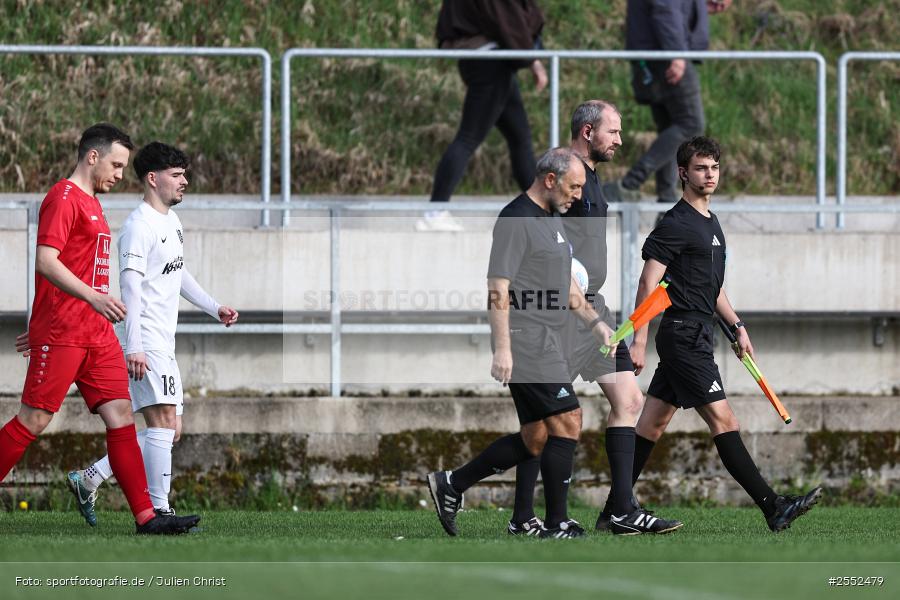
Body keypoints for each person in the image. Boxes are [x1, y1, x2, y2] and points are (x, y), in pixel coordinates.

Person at [0, 124, 198, 534]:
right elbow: (47, 261)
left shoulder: (92, 202)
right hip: (67, 332)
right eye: (116, 164)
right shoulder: (63, 197)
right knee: (35, 420)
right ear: (93, 156)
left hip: (98, 334)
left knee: (122, 415)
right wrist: (84, 303)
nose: (120, 174)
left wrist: (87, 306)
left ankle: (147, 518)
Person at [628, 136, 821, 532]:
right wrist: (640, 340)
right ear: (683, 173)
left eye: (714, 167)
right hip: (682, 335)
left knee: (651, 424)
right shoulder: (675, 223)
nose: (709, 174)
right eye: (701, 168)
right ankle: (773, 506)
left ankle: (616, 506)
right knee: (724, 420)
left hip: (701, 331)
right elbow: (649, 283)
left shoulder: (711, 223)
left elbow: (712, 287)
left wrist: (737, 326)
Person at [507, 100, 682, 536]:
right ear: (588, 132)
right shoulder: (563, 175)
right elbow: (546, 240)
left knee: (630, 401)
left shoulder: (593, 177)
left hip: (594, 308)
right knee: (544, 422)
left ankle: (620, 509)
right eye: (614, 132)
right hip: (569, 313)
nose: (620, 141)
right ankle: (520, 515)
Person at [427, 147, 611, 539]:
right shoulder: (515, 219)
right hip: (528, 340)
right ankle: (557, 522)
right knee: (569, 420)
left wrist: (596, 325)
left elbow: (566, 285)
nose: (578, 195)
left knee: (536, 436)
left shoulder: (551, 221)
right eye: (573, 187)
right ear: (550, 179)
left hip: (549, 338)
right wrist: (503, 348)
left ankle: (453, 484)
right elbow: (498, 288)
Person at [62, 142, 239, 526]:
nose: (184, 181)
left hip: (162, 341)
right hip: (145, 342)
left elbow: (178, 274)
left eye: (184, 174)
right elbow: (130, 288)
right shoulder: (138, 226)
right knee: (162, 425)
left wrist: (213, 307)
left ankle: (89, 478)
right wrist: (135, 346)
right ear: (153, 179)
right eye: (177, 175)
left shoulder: (170, 222)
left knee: (171, 430)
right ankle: (159, 511)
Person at [420, 0, 548, 231]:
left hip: (484, 60)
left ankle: (541, 211)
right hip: (490, 62)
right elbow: (508, 20)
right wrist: (532, 61)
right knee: (468, 137)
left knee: (519, 138)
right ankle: (435, 211)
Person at [603, 0, 730, 207]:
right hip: (667, 56)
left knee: (671, 131)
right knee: (691, 124)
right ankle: (629, 184)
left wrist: (697, 6)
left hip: (654, 56)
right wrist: (676, 53)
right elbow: (665, 9)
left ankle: (666, 204)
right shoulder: (674, 52)